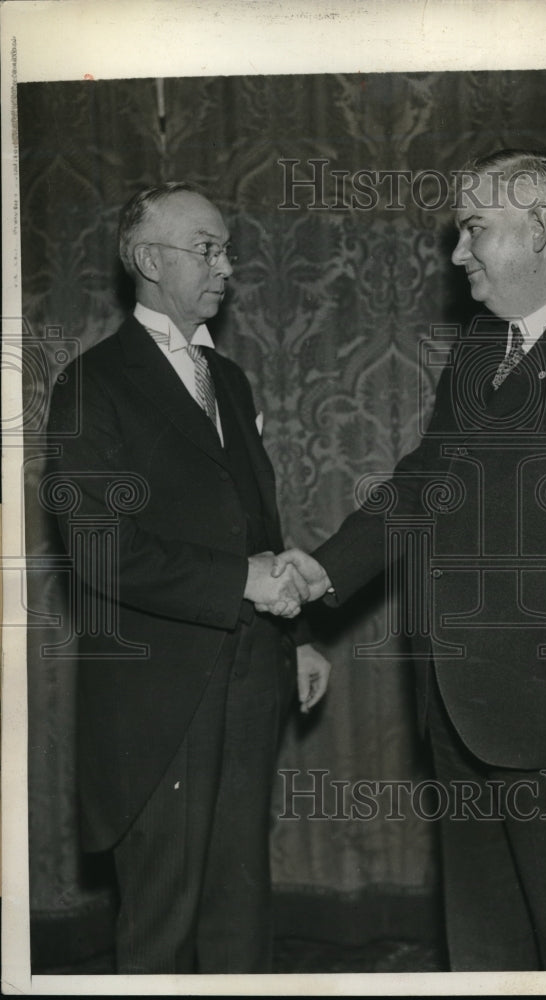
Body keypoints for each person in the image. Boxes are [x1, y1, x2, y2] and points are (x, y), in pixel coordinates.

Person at [272, 150, 546, 970]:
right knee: (484, 950)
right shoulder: (483, 349)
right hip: (458, 703)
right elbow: (424, 482)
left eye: (474, 228)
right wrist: (326, 567)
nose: (457, 253)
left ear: (540, 228)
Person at [44, 181, 331, 974]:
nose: (227, 267)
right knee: (163, 926)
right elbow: (101, 547)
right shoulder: (89, 385)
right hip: (159, 695)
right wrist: (241, 581)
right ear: (146, 259)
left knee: (241, 913)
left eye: (228, 250)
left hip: (250, 673)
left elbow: (258, 520)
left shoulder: (228, 381)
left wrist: (296, 635)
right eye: (207, 248)